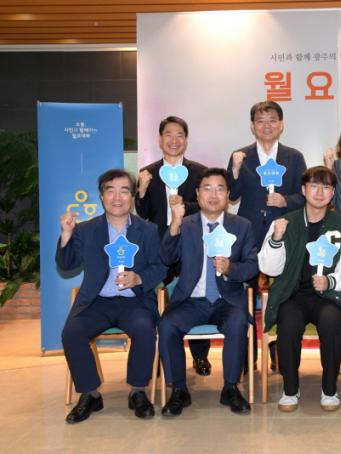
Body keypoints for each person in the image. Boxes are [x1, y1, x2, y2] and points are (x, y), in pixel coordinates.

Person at [58, 169, 166, 423]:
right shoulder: (86, 230)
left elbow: (160, 266)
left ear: (132, 196)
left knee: (144, 329)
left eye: (124, 191)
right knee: (72, 333)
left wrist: (139, 278)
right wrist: (66, 234)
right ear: (102, 196)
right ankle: (90, 394)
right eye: (110, 191)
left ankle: (138, 391)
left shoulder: (148, 230)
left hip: (134, 302)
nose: (117, 197)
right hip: (97, 301)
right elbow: (66, 264)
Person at [158, 168, 257, 416]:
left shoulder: (241, 226)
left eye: (220, 189)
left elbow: (252, 265)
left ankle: (230, 387)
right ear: (197, 194)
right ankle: (179, 390)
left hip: (227, 299)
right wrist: (175, 224)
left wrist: (231, 268)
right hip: (192, 300)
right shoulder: (186, 225)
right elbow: (167, 257)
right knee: (167, 325)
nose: (213, 195)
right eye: (207, 188)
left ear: (228, 195)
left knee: (237, 322)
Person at [258, 166, 341, 412]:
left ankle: (329, 389)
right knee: (289, 325)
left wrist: (331, 281)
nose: (319, 192)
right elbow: (269, 268)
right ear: (303, 190)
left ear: (333, 193)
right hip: (293, 295)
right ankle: (290, 389)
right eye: (314, 186)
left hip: (327, 296)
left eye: (326, 187)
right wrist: (276, 239)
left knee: (331, 322)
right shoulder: (284, 222)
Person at [134, 115, 212, 377]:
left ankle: (200, 356)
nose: (174, 140)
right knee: (158, 298)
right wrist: (141, 191)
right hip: (159, 246)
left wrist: (183, 206)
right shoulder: (148, 173)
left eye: (179, 135)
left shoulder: (200, 172)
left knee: (195, 296)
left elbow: (207, 206)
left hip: (191, 244)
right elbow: (144, 212)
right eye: (168, 134)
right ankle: (160, 356)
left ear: (186, 140)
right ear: (160, 139)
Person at [227, 100, 307, 250]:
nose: (266, 126)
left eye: (272, 120)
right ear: (252, 126)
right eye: (260, 121)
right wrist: (235, 171)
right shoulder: (240, 156)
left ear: (281, 124)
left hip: (284, 227)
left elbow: (304, 196)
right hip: (249, 229)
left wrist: (285, 201)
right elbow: (232, 196)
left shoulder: (295, 157)